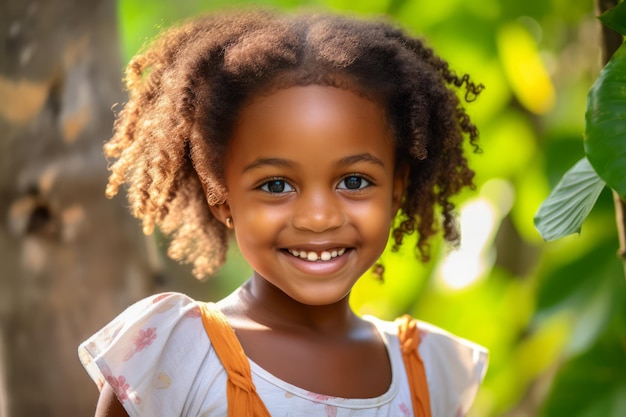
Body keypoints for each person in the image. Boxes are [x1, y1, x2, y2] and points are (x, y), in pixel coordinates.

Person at [78, 8, 488, 417]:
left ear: (395, 190)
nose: (318, 217)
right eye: (276, 186)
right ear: (222, 198)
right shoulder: (177, 356)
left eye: (354, 181)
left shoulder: (430, 370)